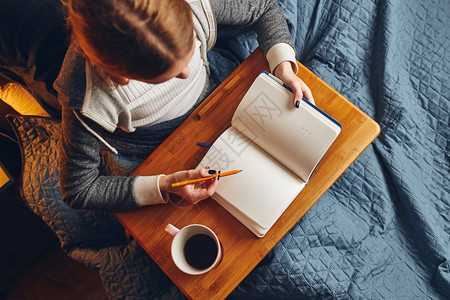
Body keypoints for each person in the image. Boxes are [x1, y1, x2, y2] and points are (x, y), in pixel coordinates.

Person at [55, 0, 314, 211]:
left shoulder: (195, 5)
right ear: (121, 75)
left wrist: (284, 68)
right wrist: (165, 186)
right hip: (158, 141)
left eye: (188, 51)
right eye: (167, 75)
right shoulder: (86, 96)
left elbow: (265, 7)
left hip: (216, 96)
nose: (187, 74)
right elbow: (78, 189)